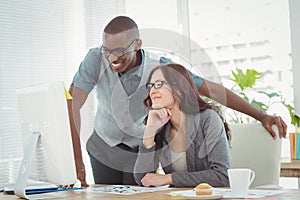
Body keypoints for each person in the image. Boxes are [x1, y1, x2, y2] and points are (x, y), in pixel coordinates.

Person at [68, 15, 287, 187]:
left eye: (120, 51)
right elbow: (73, 105)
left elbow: (210, 89)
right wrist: (76, 162)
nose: (112, 58)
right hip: (105, 144)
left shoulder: (161, 68)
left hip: (141, 145)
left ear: (137, 44)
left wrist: (261, 115)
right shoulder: (95, 59)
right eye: (107, 50)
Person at [134, 63, 231, 187]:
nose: (152, 91)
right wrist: (150, 131)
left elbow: (222, 175)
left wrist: (170, 178)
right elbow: (143, 179)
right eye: (151, 86)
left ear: (179, 89)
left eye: (158, 84)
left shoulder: (208, 119)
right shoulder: (161, 126)